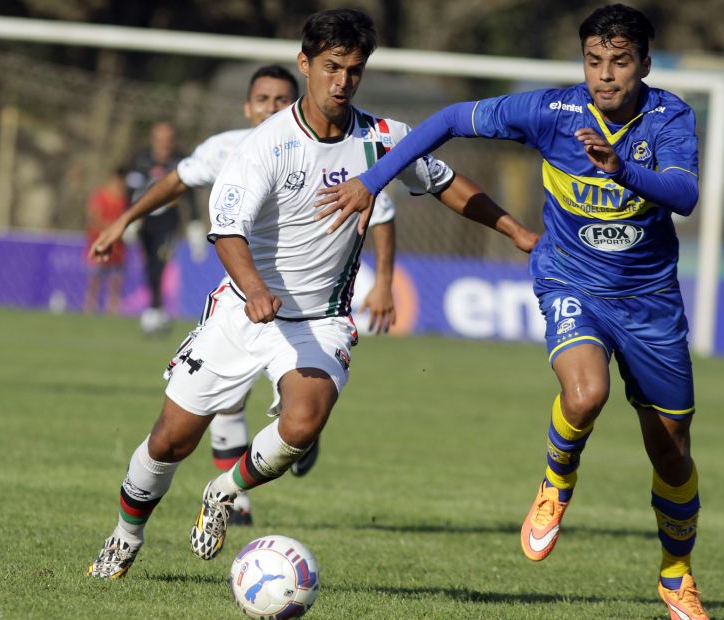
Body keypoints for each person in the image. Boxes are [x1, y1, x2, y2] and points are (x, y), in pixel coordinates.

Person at [87, 8, 536, 581]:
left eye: (354, 70)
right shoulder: (266, 145)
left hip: (320, 319)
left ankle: (223, 490)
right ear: (305, 64)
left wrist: (515, 230)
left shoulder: (383, 138)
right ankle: (125, 536)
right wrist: (254, 290)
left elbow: (445, 183)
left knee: (303, 424)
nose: (342, 81)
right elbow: (227, 230)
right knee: (169, 442)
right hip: (243, 312)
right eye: (331, 67)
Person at [315, 5, 707, 618]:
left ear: (645, 65)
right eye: (594, 61)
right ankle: (557, 478)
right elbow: (449, 119)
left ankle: (676, 574)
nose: (605, 75)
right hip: (570, 279)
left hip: (649, 300)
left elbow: (685, 194)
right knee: (585, 395)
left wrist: (621, 169)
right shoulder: (552, 111)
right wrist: (373, 180)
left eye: (620, 62)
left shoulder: (669, 117)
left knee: (672, 451)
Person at [88, 63, 400, 527]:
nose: (271, 108)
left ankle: (257, 469)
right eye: (262, 100)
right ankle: (219, 507)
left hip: (313, 312)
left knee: (300, 414)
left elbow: (383, 210)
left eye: (280, 100)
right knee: (213, 409)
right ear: (247, 107)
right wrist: (124, 220)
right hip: (245, 300)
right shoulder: (229, 148)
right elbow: (175, 181)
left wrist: (385, 283)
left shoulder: (344, 149)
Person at [127, 121, 199, 335]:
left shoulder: (181, 161)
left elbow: (190, 194)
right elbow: (131, 190)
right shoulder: (141, 160)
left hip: (168, 222)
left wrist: (194, 222)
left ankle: (155, 308)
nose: (164, 143)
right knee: (149, 263)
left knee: (160, 261)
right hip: (144, 222)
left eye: (168, 138)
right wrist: (127, 219)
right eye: (160, 138)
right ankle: (154, 306)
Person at [83, 168, 129, 314]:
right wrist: (109, 228)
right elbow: (92, 217)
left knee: (116, 281)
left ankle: (113, 309)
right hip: (100, 243)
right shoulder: (101, 196)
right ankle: (90, 307)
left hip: (118, 247)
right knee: (95, 279)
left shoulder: (125, 199)